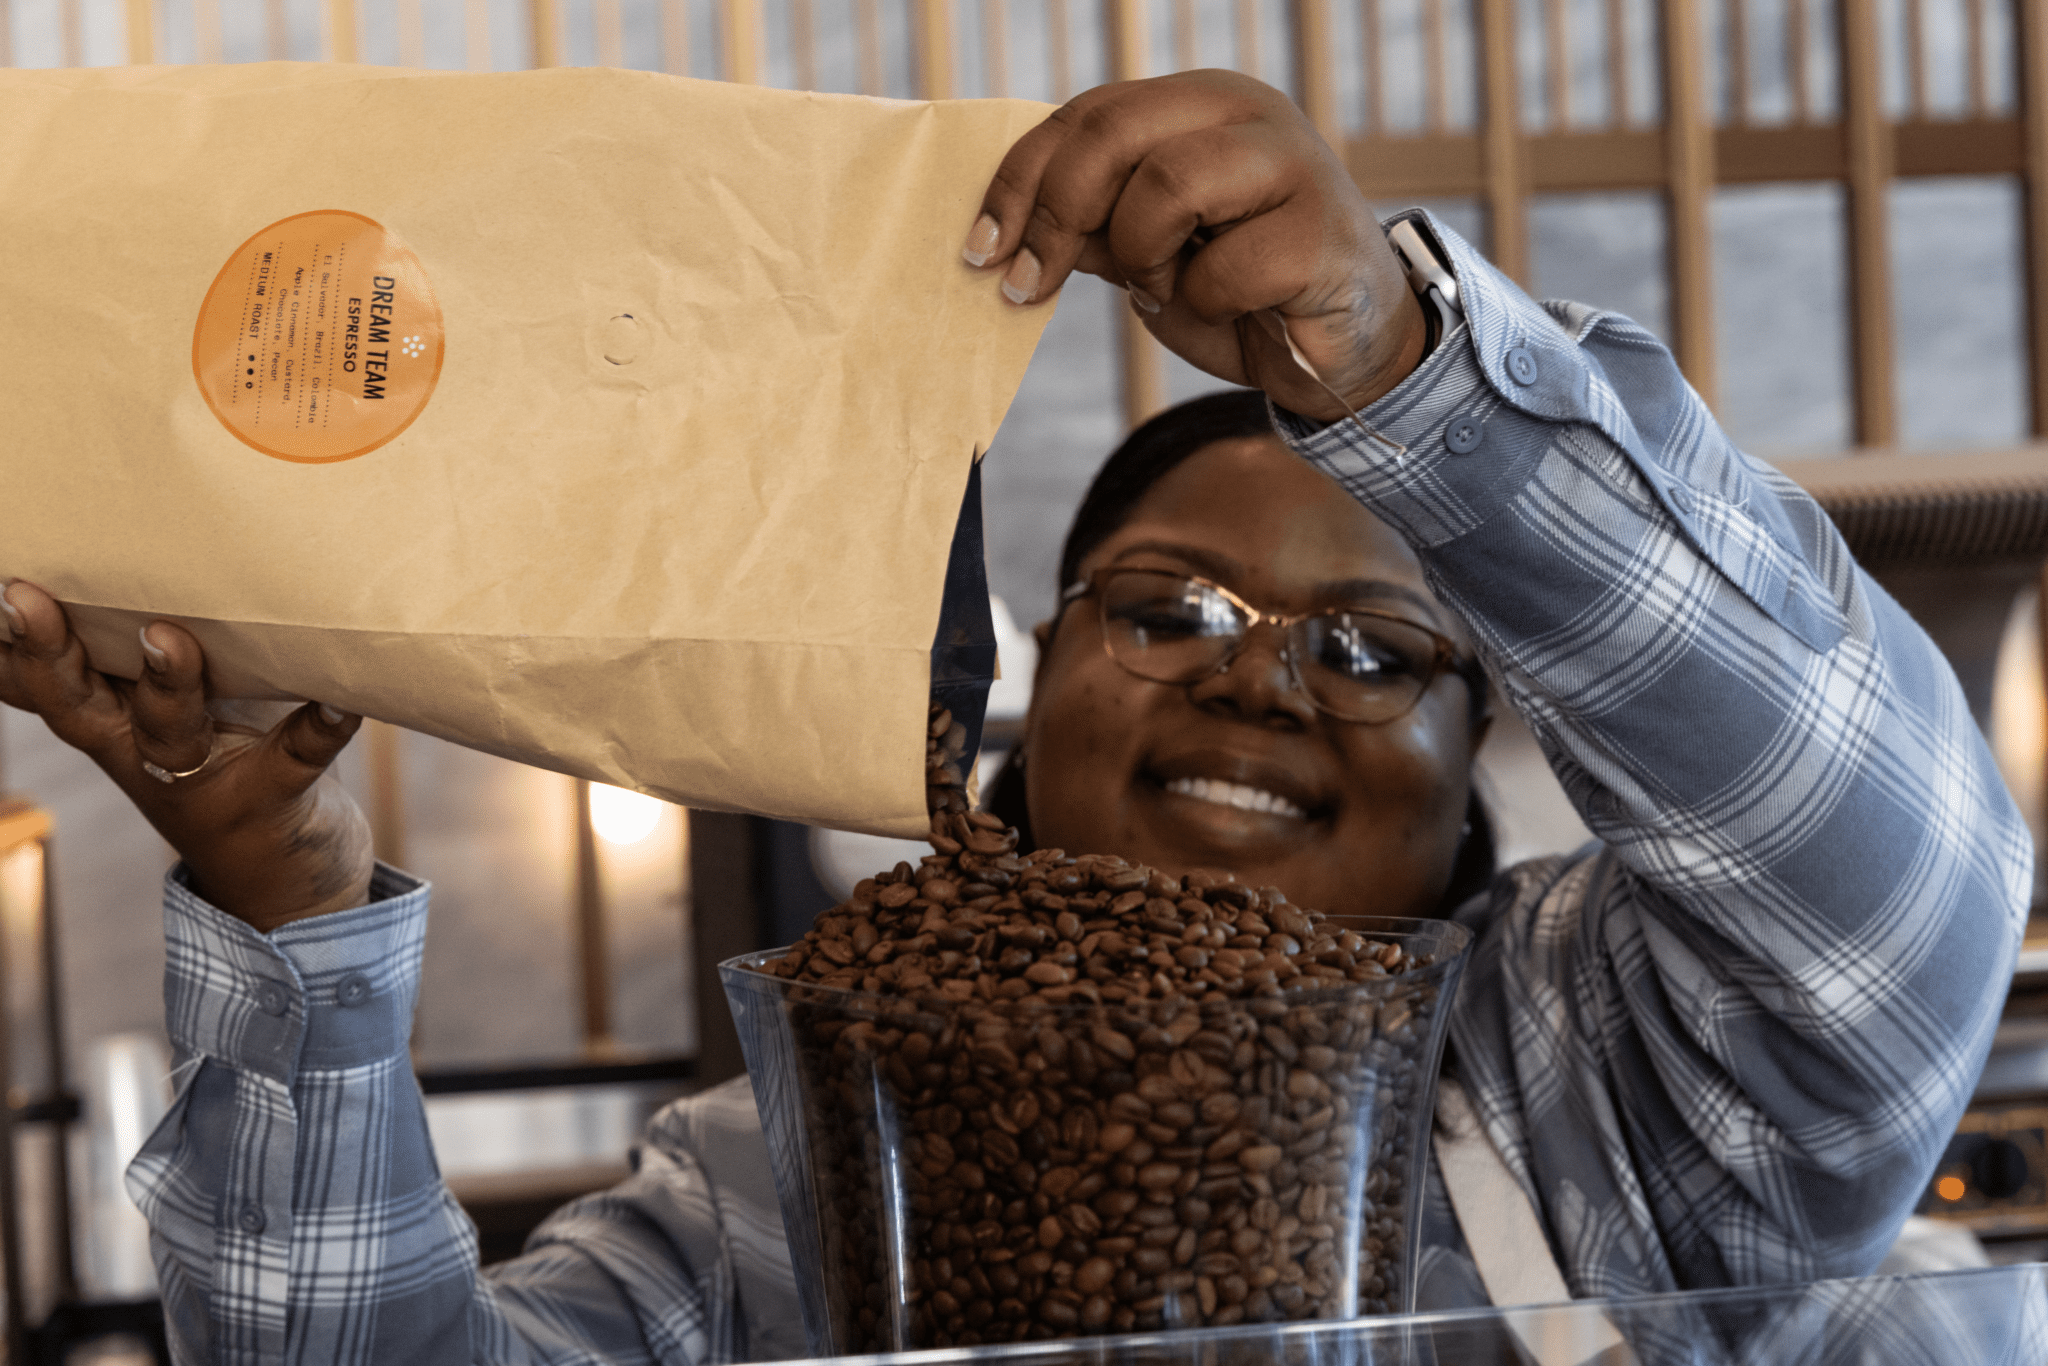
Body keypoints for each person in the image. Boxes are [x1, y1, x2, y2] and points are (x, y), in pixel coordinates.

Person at [0, 69, 2028, 1363]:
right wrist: (287, 898)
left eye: (1369, 648)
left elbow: (1885, 873)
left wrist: (1406, 373)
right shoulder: (786, 1168)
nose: (1257, 672)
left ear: (1469, 765)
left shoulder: (1611, 1059)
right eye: (1174, 610)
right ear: (1032, 675)